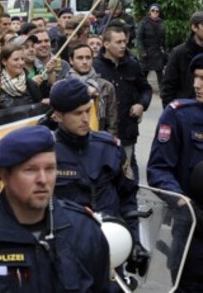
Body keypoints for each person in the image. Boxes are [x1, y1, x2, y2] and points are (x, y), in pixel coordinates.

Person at [0, 126, 111, 292]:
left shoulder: (85, 231)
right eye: (30, 170)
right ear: (4, 175)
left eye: (50, 169)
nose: (43, 180)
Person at [48, 79, 147, 274]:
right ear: (58, 116)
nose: (86, 118)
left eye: (88, 110)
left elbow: (128, 198)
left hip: (110, 245)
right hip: (66, 253)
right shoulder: (45, 153)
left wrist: (134, 240)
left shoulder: (108, 147)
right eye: (77, 113)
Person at [147, 53, 203, 291]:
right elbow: (159, 169)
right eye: (196, 78)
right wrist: (182, 202)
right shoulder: (179, 115)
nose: (196, 85)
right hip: (192, 227)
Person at [94, 26, 152, 182]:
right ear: (106, 44)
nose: (122, 46)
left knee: (128, 172)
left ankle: (132, 202)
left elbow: (146, 89)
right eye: (118, 42)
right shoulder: (95, 67)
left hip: (127, 130)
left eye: (124, 42)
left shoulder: (132, 64)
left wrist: (141, 105)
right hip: (103, 131)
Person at [67, 43, 118, 135]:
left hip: (98, 136)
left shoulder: (105, 86)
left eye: (88, 58)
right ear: (71, 60)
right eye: (80, 58)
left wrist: (108, 142)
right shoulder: (63, 85)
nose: (85, 61)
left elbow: (112, 122)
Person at [161, 11, 203, 107]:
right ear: (194, 27)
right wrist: (172, 114)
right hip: (185, 112)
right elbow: (168, 88)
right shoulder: (178, 53)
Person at [0, 43, 42, 110]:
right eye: (16, 59)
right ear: (4, 61)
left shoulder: (31, 84)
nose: (21, 63)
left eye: (22, 59)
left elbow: (38, 109)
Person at [136, 3, 166, 87]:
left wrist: (165, 51)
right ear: (149, 11)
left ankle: (163, 92)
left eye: (157, 11)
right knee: (143, 74)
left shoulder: (161, 23)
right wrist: (141, 50)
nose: (155, 12)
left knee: (160, 74)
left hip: (157, 52)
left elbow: (163, 39)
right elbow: (139, 37)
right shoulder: (144, 23)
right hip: (146, 52)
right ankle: (142, 90)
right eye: (153, 10)